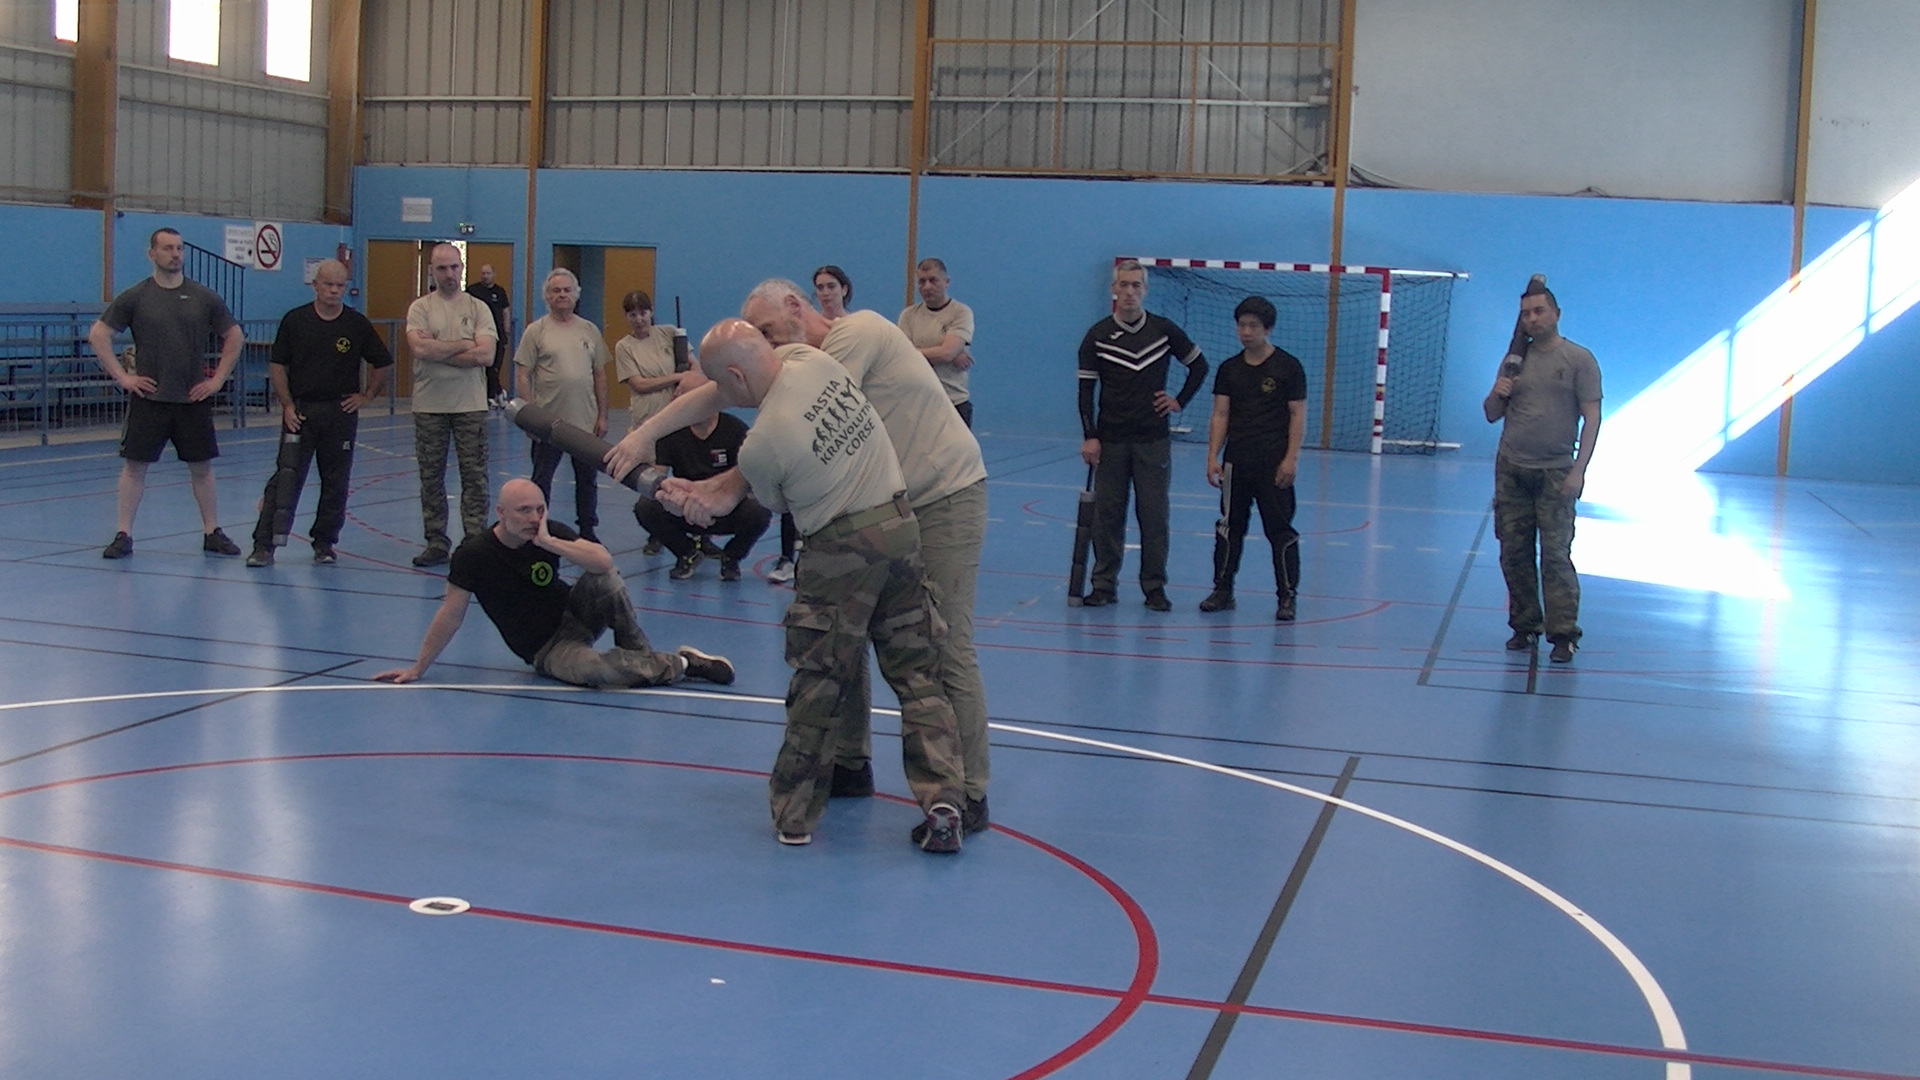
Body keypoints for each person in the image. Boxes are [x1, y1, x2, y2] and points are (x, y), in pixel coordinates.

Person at [614, 280, 992, 834]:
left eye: (767, 333)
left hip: (940, 496)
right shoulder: (796, 358)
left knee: (942, 647)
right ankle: (852, 763)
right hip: (895, 513)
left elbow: (773, 431)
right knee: (874, 649)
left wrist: (717, 490)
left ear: (797, 310)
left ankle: (968, 791)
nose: (766, 346)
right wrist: (647, 434)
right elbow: (728, 387)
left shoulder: (850, 339)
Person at [373, 478, 735, 689]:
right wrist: (419, 667)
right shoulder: (474, 554)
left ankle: (640, 655)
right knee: (595, 671)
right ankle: (684, 664)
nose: (535, 518)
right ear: (501, 514)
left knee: (603, 575)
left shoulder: (548, 532)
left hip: (576, 615)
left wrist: (547, 542)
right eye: (524, 511)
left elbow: (604, 562)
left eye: (539, 509)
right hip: (547, 649)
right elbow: (451, 614)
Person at [89, 227, 247, 560]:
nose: (175, 254)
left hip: (192, 399)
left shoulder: (204, 297)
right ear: (152, 254)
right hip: (150, 399)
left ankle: (212, 531)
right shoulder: (136, 296)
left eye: (179, 248)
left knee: (201, 468)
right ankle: (124, 534)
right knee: (135, 467)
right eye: (167, 248)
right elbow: (99, 334)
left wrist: (217, 380)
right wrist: (123, 377)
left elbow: (234, 336)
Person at [1077, 258, 1208, 612]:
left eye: (1136, 285)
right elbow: (1085, 392)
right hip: (1111, 440)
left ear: (1145, 291)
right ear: (1114, 290)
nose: (1130, 291)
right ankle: (1104, 584)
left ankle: (1154, 588)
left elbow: (1199, 365)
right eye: (1124, 285)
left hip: (1153, 440)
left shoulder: (1165, 331)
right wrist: (1090, 435)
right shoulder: (1097, 335)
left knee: (1154, 516)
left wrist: (1178, 400)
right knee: (1108, 516)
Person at [245, 259, 394, 567]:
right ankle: (264, 545)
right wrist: (286, 404)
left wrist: (366, 396)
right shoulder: (295, 321)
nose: (334, 291)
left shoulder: (355, 324)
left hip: (340, 412)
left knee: (336, 481)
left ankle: (324, 543)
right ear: (316, 285)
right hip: (301, 411)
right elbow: (278, 365)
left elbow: (382, 362)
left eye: (340, 285)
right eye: (328, 284)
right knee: (286, 478)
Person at [1483, 281, 1603, 664]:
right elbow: (1490, 414)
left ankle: (1563, 634)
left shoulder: (1578, 360)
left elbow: (1593, 417)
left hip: (1555, 472)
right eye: (1526, 314)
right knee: (1514, 553)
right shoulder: (1514, 362)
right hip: (1512, 469)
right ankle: (1524, 626)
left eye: (1539, 311)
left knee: (1554, 556)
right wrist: (1499, 390)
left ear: (1556, 314)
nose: (1533, 319)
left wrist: (1578, 471)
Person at [1198, 297, 1306, 620]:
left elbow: (1297, 414)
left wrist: (1291, 459)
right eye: (1242, 325)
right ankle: (1223, 589)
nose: (1246, 332)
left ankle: (1287, 596)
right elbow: (1220, 414)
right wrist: (1212, 457)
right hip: (1236, 463)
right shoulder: (1229, 369)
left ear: (1268, 329)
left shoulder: (1288, 367)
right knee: (1230, 526)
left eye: (1253, 326)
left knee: (1280, 530)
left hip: (1273, 464)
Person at [406, 243, 497, 567]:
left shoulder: (478, 309)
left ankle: (475, 541)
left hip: (470, 407)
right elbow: (420, 350)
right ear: (432, 270)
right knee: (431, 476)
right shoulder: (420, 309)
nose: (449, 274)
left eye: (454, 267)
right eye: (442, 268)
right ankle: (436, 541)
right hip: (429, 406)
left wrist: (439, 348)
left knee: (475, 475)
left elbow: (485, 356)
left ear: (462, 268)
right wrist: (463, 345)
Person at [632, 371, 771, 582]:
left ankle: (732, 557)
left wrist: (721, 493)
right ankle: (687, 553)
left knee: (759, 511)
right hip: (686, 507)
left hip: (725, 505)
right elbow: (658, 476)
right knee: (646, 507)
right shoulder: (671, 433)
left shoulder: (734, 429)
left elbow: (748, 476)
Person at [513, 268, 611, 542]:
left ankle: (588, 531)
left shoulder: (589, 330)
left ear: (576, 294)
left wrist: (603, 415)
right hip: (548, 425)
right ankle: (536, 529)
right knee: (541, 481)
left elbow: (600, 375)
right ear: (548, 296)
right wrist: (529, 417)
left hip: (584, 422)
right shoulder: (536, 331)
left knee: (587, 482)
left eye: (567, 290)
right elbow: (523, 375)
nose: (562, 295)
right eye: (556, 291)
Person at [613, 289, 684, 556]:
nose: (639, 319)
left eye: (643, 312)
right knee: (656, 481)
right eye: (632, 314)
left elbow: (693, 367)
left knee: (688, 479)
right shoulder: (624, 347)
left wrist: (685, 383)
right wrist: (674, 379)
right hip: (649, 423)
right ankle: (657, 533)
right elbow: (639, 384)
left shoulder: (669, 334)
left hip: (679, 418)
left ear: (651, 311)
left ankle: (697, 534)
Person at [898, 257, 977, 426]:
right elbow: (902, 356)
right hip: (920, 402)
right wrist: (945, 351)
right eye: (922, 282)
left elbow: (947, 353)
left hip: (954, 402)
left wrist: (947, 352)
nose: (927, 287)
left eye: (933, 280)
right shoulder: (909, 315)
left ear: (946, 282)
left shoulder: (961, 313)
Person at [465, 263, 512, 406]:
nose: (485, 276)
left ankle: (494, 393)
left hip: (497, 334)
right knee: (483, 366)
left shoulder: (500, 291)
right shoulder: (473, 290)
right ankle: (495, 394)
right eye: (483, 273)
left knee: (494, 366)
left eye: (488, 273)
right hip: (478, 335)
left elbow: (505, 310)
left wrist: (506, 328)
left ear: (493, 274)